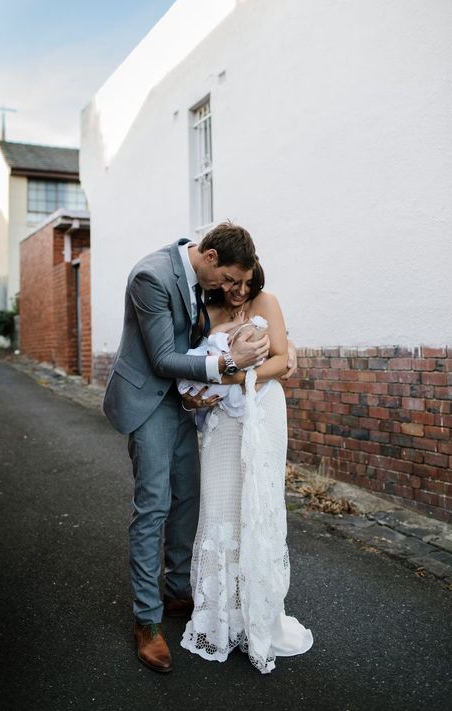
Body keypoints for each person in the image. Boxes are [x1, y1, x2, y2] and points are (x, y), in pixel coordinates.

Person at [103, 222, 272, 673]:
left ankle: (178, 590)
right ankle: (147, 620)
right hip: (148, 400)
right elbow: (161, 359)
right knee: (154, 505)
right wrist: (232, 363)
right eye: (231, 279)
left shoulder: (204, 280)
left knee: (188, 499)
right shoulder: (151, 276)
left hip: (184, 401)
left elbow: (201, 336)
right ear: (211, 256)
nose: (234, 289)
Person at [180, 259, 313, 673]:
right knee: (220, 507)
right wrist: (202, 391)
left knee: (259, 503)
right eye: (232, 283)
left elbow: (281, 361)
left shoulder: (267, 302)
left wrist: (234, 374)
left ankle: (258, 614)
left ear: (256, 278)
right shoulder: (206, 311)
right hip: (221, 420)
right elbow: (194, 367)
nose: (239, 291)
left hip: (262, 411)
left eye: (246, 283)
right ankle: (222, 616)